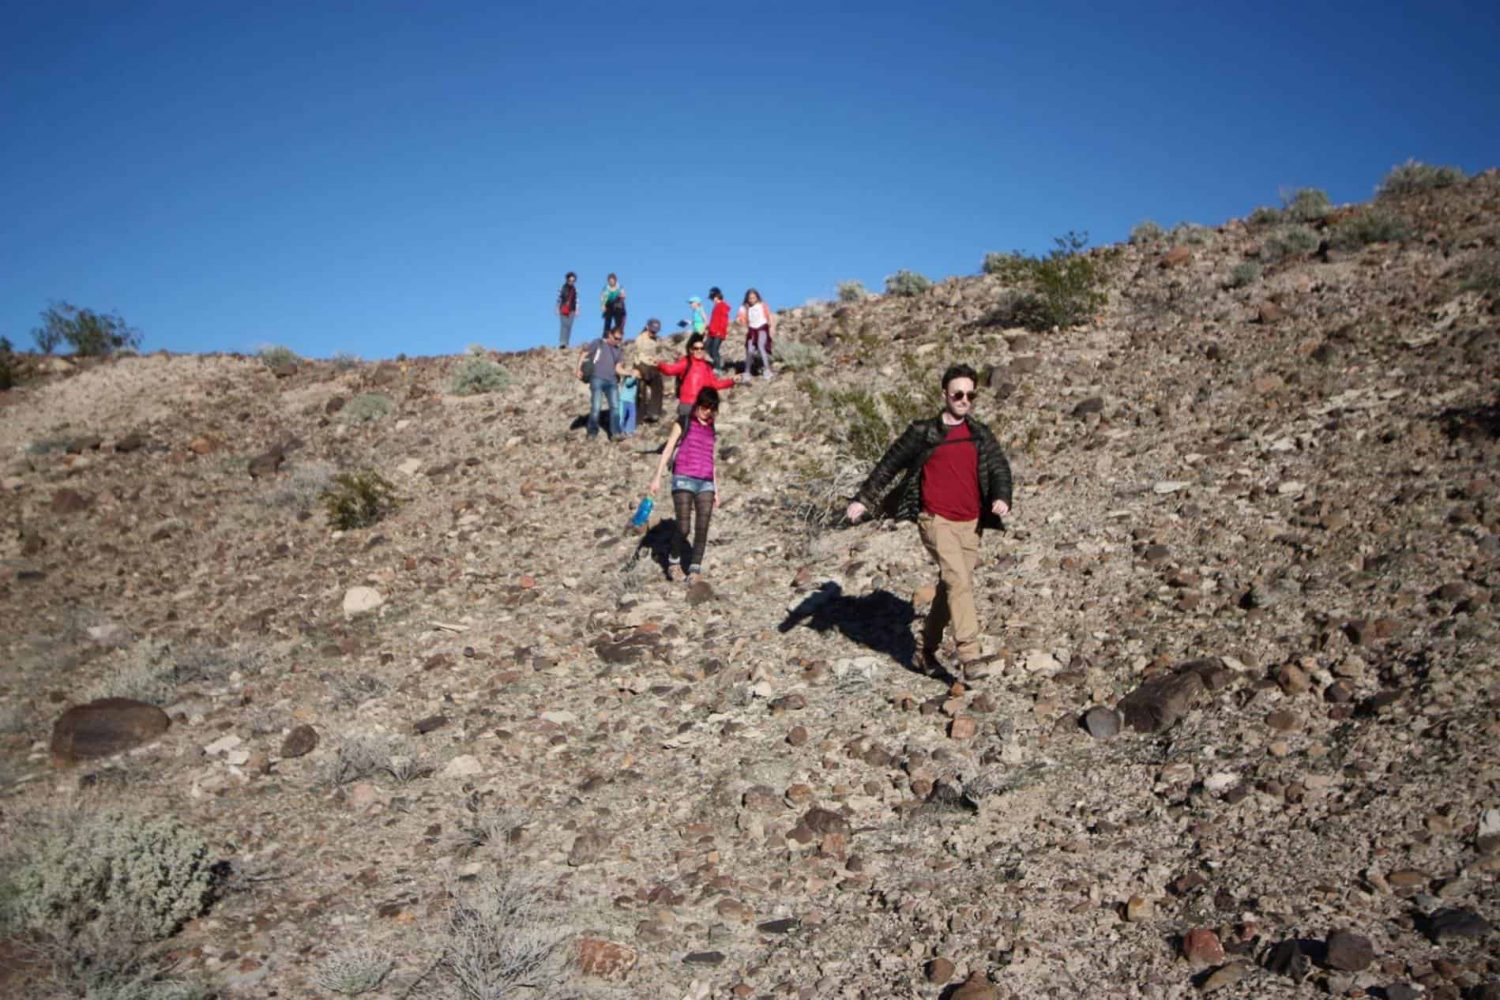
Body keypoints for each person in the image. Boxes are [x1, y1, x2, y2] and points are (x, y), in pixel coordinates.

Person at [846, 364, 1013, 679]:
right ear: (945, 395)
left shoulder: (979, 433)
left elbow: (999, 467)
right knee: (958, 581)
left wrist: (1002, 496)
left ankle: (924, 650)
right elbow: (889, 464)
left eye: (970, 395)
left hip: (971, 522)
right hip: (935, 518)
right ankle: (970, 654)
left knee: (951, 585)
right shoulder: (923, 432)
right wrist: (863, 499)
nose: (965, 400)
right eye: (958, 394)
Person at [648, 387, 723, 582]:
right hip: (683, 478)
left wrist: (716, 488)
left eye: (712, 408)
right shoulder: (684, 421)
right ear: (698, 403)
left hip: (706, 481)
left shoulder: (711, 427)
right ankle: (674, 561)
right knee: (683, 527)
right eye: (706, 406)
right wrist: (657, 476)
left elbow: (710, 457)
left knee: (703, 526)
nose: (708, 411)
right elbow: (668, 449)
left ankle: (695, 570)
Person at [657, 333, 736, 419]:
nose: (699, 350)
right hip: (687, 404)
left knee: (701, 431)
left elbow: (715, 384)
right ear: (691, 350)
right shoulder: (686, 362)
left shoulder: (707, 366)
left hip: (702, 405)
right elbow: (670, 370)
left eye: (702, 348)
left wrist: (732, 381)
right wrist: (659, 364)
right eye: (696, 348)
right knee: (685, 430)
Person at [575, 327, 630, 440]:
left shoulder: (618, 351)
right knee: (596, 406)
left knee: (615, 407)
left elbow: (618, 368)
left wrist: (629, 373)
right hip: (597, 378)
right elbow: (584, 353)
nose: (617, 341)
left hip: (612, 381)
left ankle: (615, 433)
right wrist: (578, 368)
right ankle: (592, 432)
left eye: (620, 339)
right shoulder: (598, 343)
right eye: (615, 338)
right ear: (609, 334)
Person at [631, 318, 666, 423]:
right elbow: (637, 355)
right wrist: (646, 361)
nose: (653, 333)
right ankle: (638, 418)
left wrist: (655, 360)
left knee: (658, 386)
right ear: (647, 327)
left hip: (652, 366)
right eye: (652, 331)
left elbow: (654, 353)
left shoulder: (654, 340)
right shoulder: (640, 339)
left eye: (655, 331)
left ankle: (654, 412)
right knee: (641, 393)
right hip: (641, 366)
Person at [737, 288, 774, 381]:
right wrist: (739, 319)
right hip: (752, 330)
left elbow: (769, 315)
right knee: (749, 350)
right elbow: (741, 318)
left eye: (754, 298)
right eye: (750, 298)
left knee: (761, 346)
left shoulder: (762, 305)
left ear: (757, 297)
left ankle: (767, 370)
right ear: (747, 299)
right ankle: (747, 372)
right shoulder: (745, 308)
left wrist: (772, 327)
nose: (752, 300)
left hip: (762, 327)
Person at [706, 287, 731, 370]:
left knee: (714, 350)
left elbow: (724, 320)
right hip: (711, 332)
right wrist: (709, 328)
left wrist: (720, 331)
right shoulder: (716, 306)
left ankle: (718, 368)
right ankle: (719, 361)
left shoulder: (722, 306)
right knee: (706, 347)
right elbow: (714, 320)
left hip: (718, 332)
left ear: (716, 296)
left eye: (712, 298)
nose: (712, 300)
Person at [557, 271, 579, 349]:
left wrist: (577, 310)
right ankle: (562, 342)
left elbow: (577, 300)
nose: (571, 282)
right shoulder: (562, 288)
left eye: (573, 281)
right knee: (564, 325)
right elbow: (559, 298)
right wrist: (557, 308)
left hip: (572, 309)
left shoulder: (575, 289)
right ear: (567, 280)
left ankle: (566, 342)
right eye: (570, 280)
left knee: (569, 326)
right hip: (563, 308)